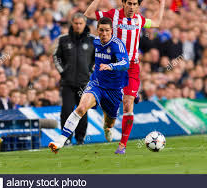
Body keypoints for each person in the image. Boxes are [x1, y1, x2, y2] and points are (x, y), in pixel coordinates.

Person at [84, 0, 165, 154]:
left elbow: (156, 22)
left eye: (135, 4)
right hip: (113, 67)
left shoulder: (139, 19)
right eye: (129, 3)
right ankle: (108, 126)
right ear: (123, 3)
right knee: (111, 112)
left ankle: (122, 145)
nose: (132, 7)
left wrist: (161, 4)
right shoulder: (112, 15)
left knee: (128, 104)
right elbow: (88, 14)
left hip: (132, 67)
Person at [49, 17, 129, 154]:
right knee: (81, 108)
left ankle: (106, 127)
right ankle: (61, 140)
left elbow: (125, 63)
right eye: (101, 30)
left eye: (107, 31)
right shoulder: (95, 41)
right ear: (97, 30)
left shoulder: (117, 44)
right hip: (96, 83)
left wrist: (110, 66)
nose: (104, 33)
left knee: (110, 122)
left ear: (112, 31)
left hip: (113, 89)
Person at [53, 13, 95, 145]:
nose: (78, 26)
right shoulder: (63, 39)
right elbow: (56, 57)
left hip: (85, 83)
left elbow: (97, 59)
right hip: (68, 82)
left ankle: (80, 138)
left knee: (82, 110)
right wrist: (63, 72)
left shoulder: (93, 40)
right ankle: (66, 138)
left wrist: (91, 72)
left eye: (80, 23)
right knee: (66, 110)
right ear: (72, 23)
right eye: (76, 23)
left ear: (85, 24)